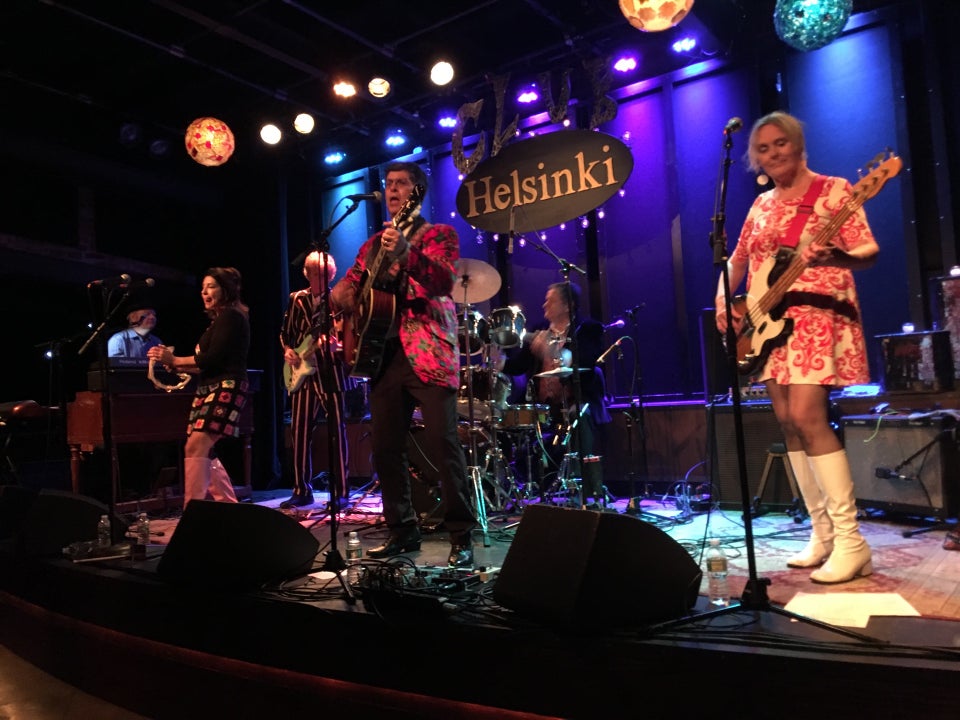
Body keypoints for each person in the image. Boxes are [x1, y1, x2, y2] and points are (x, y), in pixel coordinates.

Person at [715, 111, 879, 584]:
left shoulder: (834, 190)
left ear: (798, 143)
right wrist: (724, 297)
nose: (773, 153)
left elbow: (868, 250)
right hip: (770, 322)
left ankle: (852, 542)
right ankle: (822, 533)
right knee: (788, 422)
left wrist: (838, 257)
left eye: (780, 143)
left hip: (816, 313)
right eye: (763, 148)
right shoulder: (761, 205)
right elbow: (739, 259)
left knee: (808, 417)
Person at [331, 161, 476, 568]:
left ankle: (461, 534)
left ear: (417, 192)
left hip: (428, 353)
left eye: (401, 184)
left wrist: (407, 253)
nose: (393, 190)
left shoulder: (439, 235)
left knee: (443, 444)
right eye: (389, 184)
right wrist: (343, 297)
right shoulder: (372, 244)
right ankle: (402, 530)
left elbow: (443, 281)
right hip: (383, 356)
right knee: (385, 448)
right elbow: (350, 284)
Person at [498, 282, 611, 505]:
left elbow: (587, 363)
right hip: (544, 406)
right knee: (502, 420)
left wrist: (550, 350)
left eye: (550, 301)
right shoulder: (541, 329)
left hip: (577, 401)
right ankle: (518, 486)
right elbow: (519, 365)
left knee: (579, 417)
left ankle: (580, 487)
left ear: (568, 305)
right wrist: (500, 361)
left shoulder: (588, 329)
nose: (544, 305)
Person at [147, 267, 250, 509]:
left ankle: (192, 513)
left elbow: (211, 359)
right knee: (203, 449)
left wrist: (175, 360)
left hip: (226, 386)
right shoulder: (218, 322)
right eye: (203, 288)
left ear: (226, 290)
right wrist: (175, 365)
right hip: (210, 387)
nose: (204, 292)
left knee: (196, 446)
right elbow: (207, 365)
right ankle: (228, 507)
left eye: (211, 286)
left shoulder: (231, 317)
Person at [279, 250, 349, 509]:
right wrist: (287, 350)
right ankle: (301, 489)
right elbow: (285, 333)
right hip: (302, 373)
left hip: (330, 372)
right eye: (312, 272)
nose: (317, 277)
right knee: (299, 431)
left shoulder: (338, 301)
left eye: (322, 273)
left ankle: (341, 492)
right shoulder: (296, 299)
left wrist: (337, 346)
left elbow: (349, 336)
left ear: (330, 274)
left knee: (336, 432)